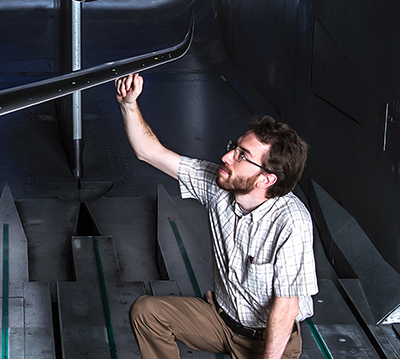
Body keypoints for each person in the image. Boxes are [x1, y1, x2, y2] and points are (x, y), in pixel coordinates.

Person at [115, 73, 317, 359]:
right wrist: (128, 104)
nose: (227, 157)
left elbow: (285, 307)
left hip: (269, 342)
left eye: (242, 156)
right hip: (222, 321)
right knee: (148, 312)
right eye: (234, 148)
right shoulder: (218, 183)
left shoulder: (291, 222)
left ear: (266, 179)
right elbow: (149, 152)